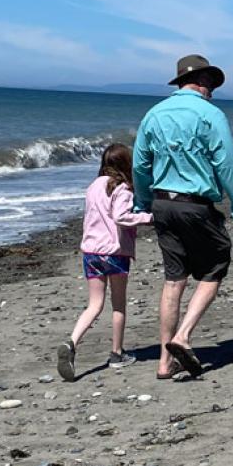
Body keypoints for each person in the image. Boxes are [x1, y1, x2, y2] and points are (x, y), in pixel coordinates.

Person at [132, 55, 233, 380]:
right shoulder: (210, 114)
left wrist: (142, 203)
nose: (213, 90)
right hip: (195, 204)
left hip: (161, 203)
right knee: (215, 266)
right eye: (212, 84)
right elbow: (227, 165)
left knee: (174, 278)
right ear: (202, 82)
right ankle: (183, 336)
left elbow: (140, 165)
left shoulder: (153, 114)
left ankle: (163, 361)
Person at [57, 144, 153, 382]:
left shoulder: (93, 186)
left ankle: (71, 342)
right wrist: (150, 218)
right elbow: (122, 217)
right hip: (114, 252)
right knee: (118, 305)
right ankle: (116, 354)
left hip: (90, 251)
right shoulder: (122, 188)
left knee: (94, 305)